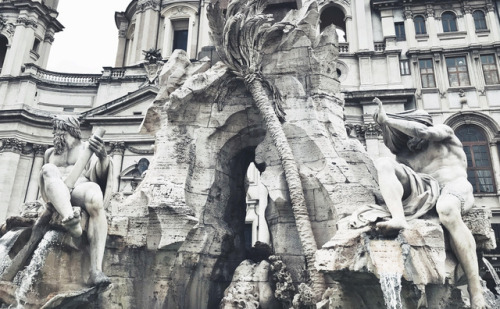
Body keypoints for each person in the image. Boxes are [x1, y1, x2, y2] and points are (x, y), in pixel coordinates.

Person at [368, 97, 486, 309]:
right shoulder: (404, 154)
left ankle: (475, 289)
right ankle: (399, 218)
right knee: (383, 163)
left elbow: (423, 133)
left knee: (447, 208)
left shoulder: (443, 133)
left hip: (455, 187)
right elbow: (399, 179)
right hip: (427, 190)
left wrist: (388, 120)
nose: (409, 140)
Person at [39, 115, 112, 286]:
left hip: (80, 188)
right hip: (58, 194)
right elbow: (45, 183)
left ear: (73, 130)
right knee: (48, 169)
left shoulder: (87, 148)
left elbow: (99, 175)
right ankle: (70, 220)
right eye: (56, 131)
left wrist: (102, 157)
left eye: (61, 131)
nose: (58, 135)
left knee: (95, 195)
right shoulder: (50, 153)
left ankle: (96, 269)